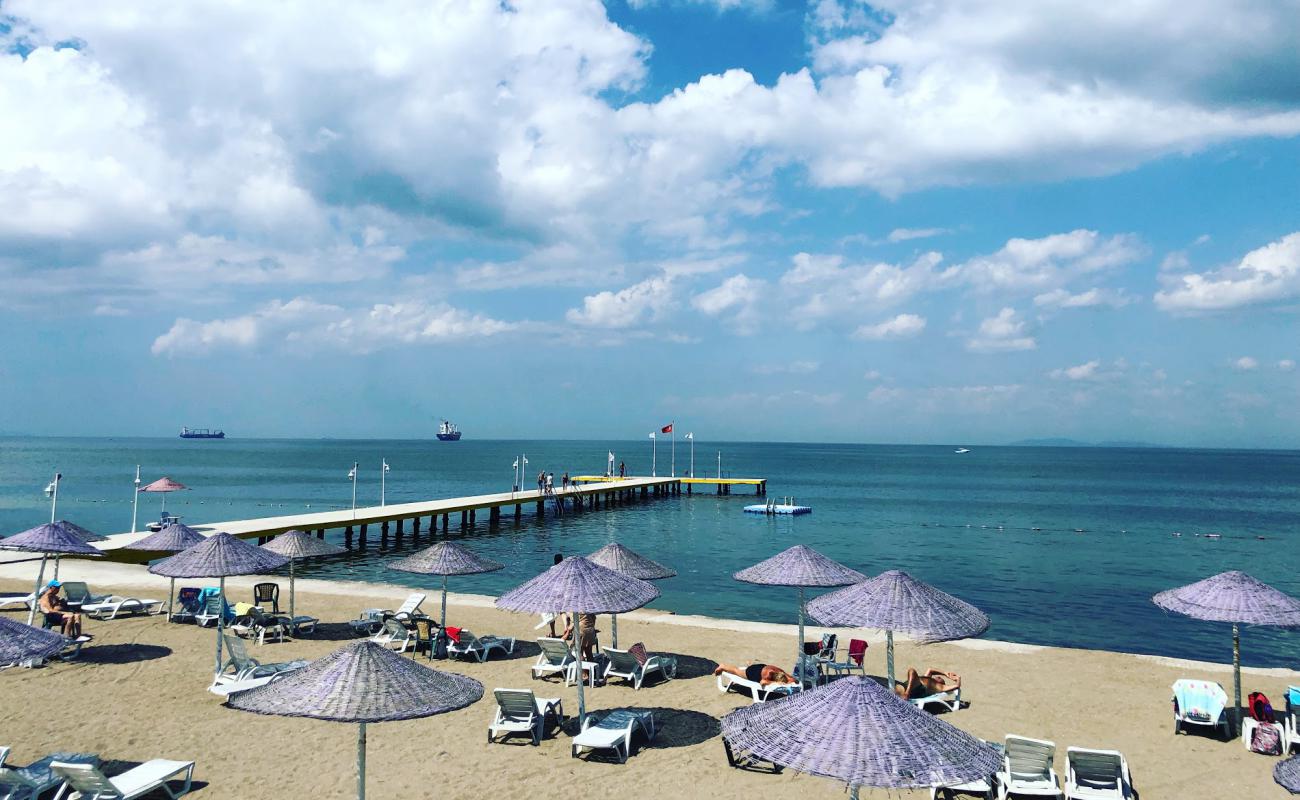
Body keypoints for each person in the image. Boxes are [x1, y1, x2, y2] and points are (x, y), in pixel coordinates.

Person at [713, 662, 799, 688]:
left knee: (743, 669)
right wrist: (773, 683)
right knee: (737, 671)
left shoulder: (781, 672)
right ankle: (723, 667)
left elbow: (793, 679)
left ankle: (750, 663)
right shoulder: (767, 677)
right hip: (752, 672)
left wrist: (792, 682)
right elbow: (762, 682)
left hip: (761, 666)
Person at [895, 667, 961, 700]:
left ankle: (906, 694)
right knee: (895, 689)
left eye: (940, 678)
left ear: (941, 682)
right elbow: (930, 669)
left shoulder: (940, 687)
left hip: (918, 689)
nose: (938, 676)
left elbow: (957, 686)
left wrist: (958, 678)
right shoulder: (928, 679)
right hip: (908, 686)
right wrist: (945, 673)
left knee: (912, 671)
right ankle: (903, 694)